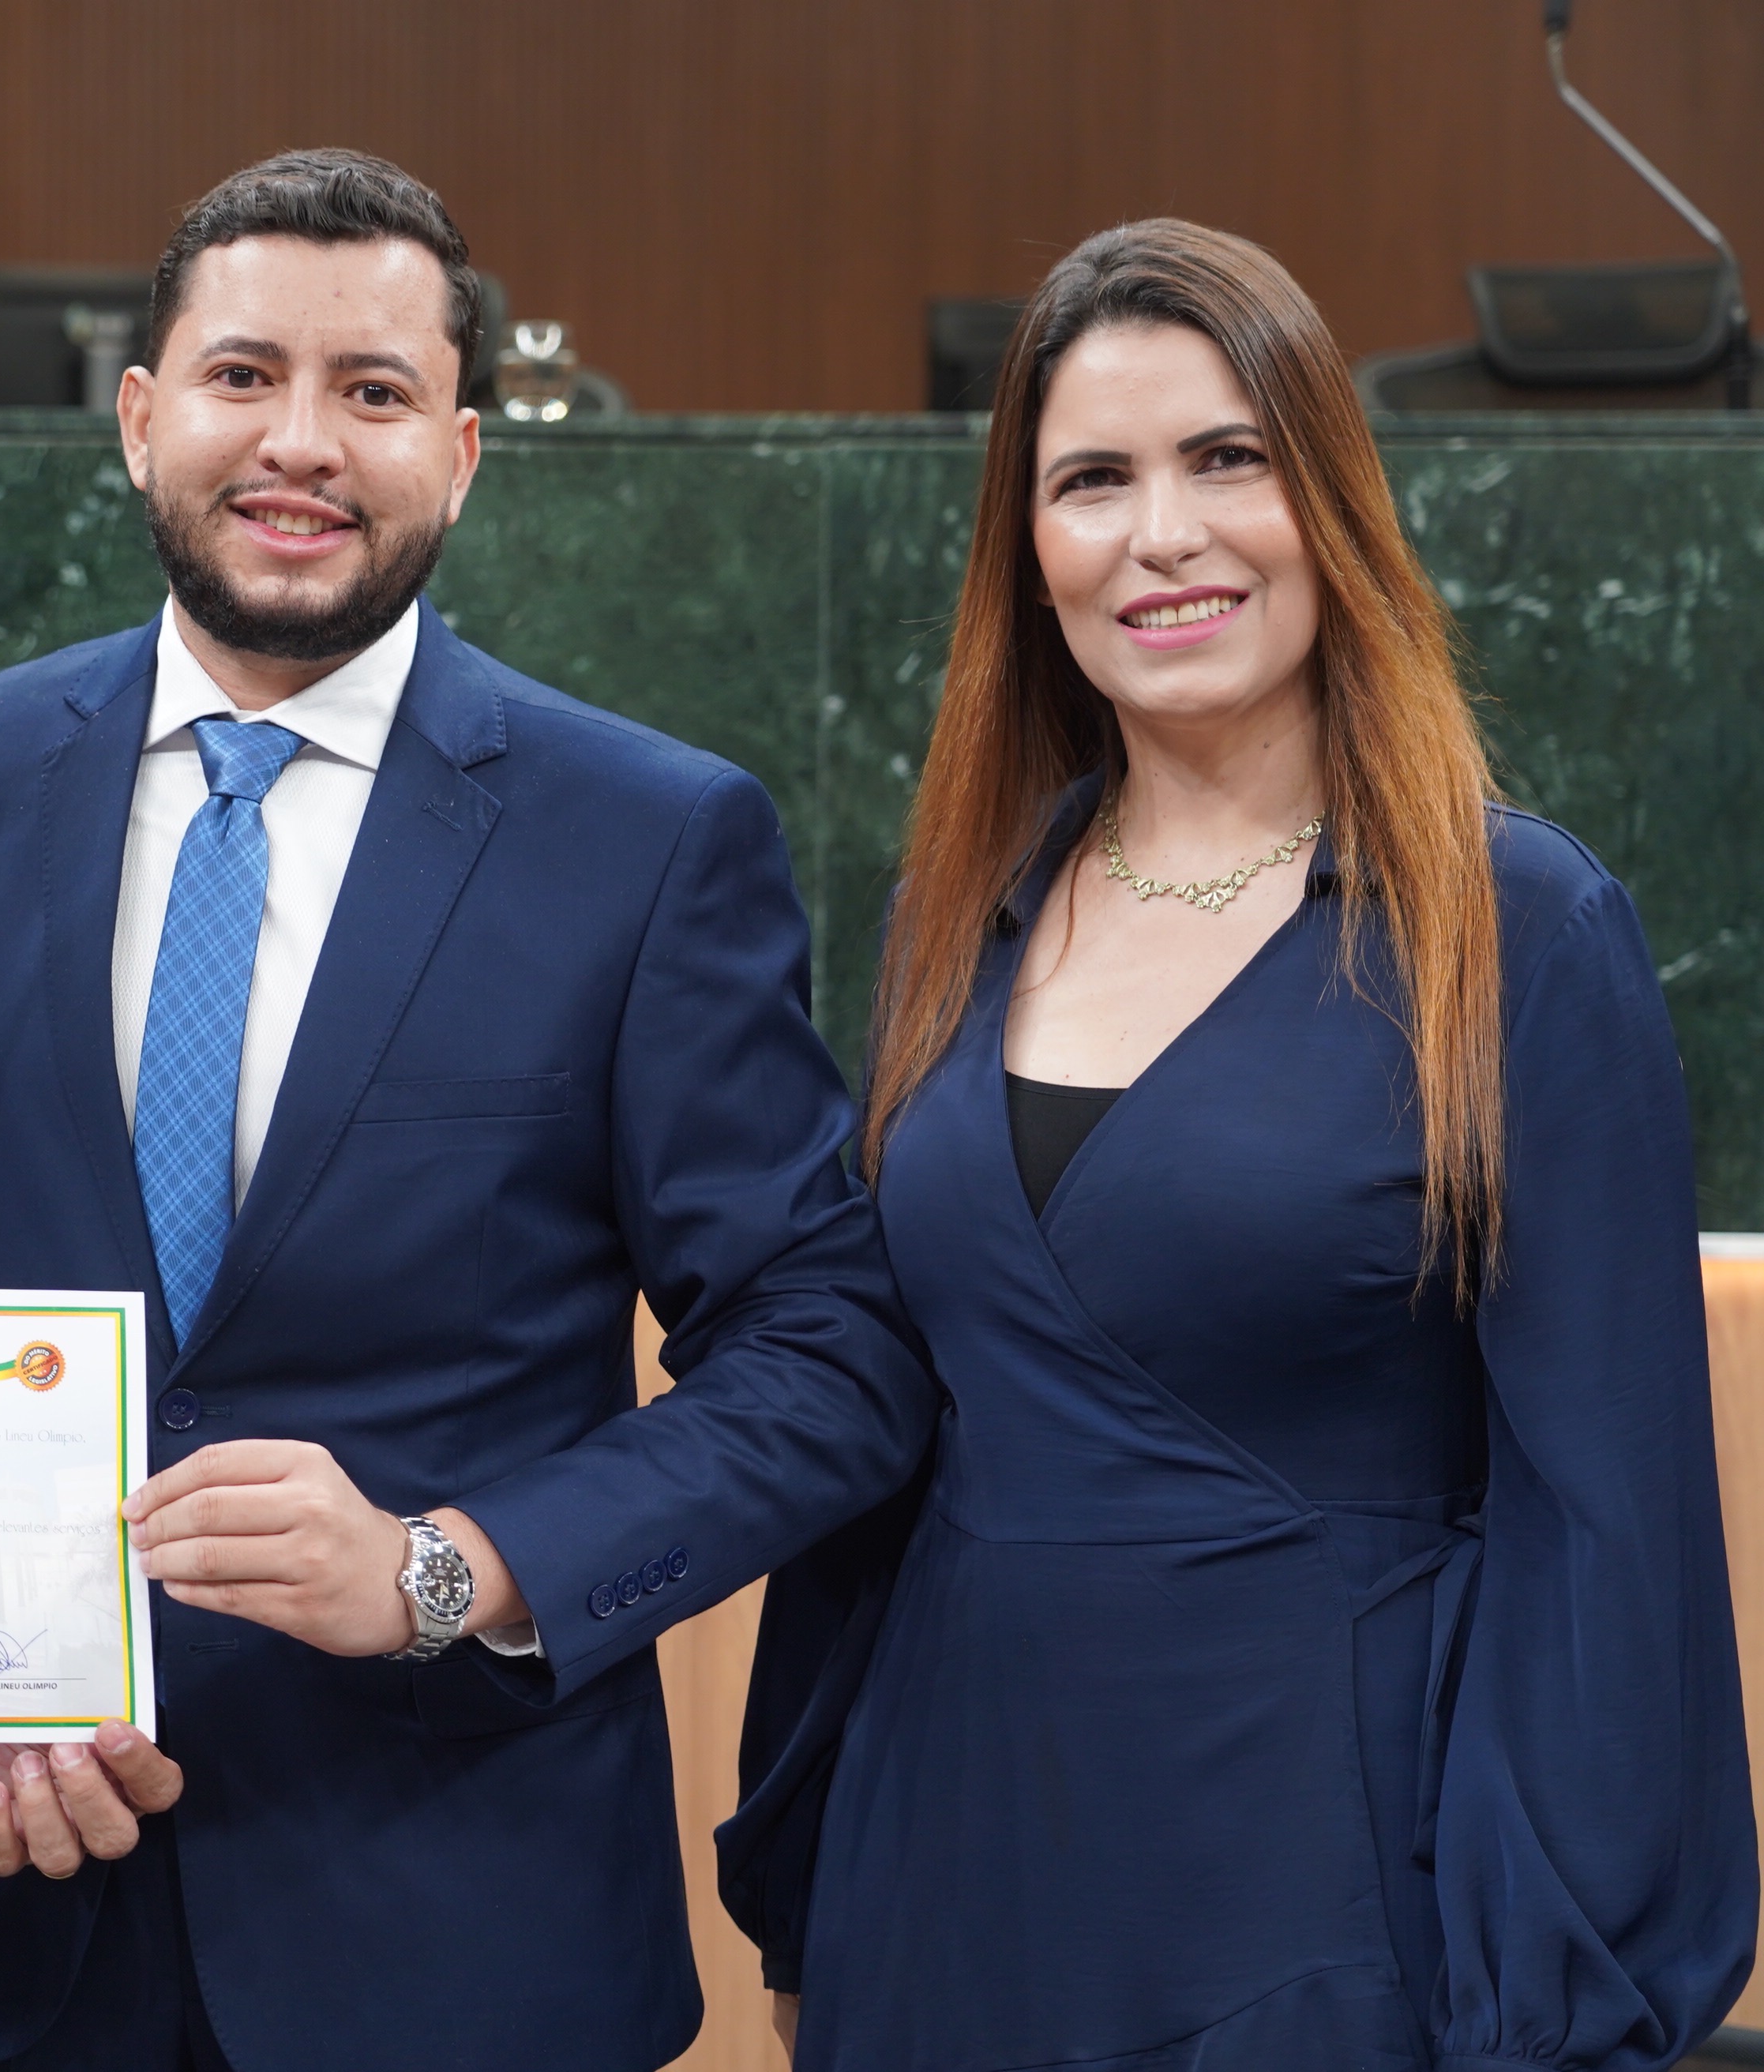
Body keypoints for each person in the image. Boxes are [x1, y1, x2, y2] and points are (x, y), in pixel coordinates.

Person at [0, 148, 934, 2072]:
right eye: (244, 375)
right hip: (31, 1916)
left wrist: (448, 1566)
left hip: (465, 1934)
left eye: (370, 391)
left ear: (459, 455)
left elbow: (830, 1348)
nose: (300, 442)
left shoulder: (646, 838)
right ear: (140, 419)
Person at [720, 218, 1758, 2071]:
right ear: (1029, 549)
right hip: (940, 1868)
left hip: (1321, 1896)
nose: (1164, 534)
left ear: (1329, 500)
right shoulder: (956, 913)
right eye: (1092, 481)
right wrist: (804, 1878)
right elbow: (881, 1445)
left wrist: (1565, 1999)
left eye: (1226, 459)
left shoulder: (1518, 928)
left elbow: (1608, 1533)